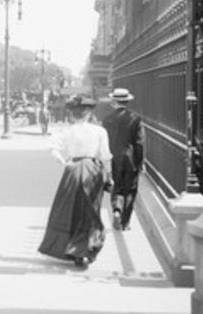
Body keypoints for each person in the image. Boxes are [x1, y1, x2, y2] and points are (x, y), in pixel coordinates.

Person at [38, 95, 112, 269]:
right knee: (90, 209)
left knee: (70, 208)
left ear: (72, 114)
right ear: (88, 114)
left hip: (73, 169)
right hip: (92, 170)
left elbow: (52, 147)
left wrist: (64, 162)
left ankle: (73, 248)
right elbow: (106, 155)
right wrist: (109, 176)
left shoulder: (68, 131)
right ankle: (86, 247)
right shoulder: (99, 131)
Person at [101, 87, 144, 231]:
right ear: (127, 101)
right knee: (130, 189)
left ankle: (116, 210)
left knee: (116, 186)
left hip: (113, 158)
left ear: (114, 101)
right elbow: (139, 143)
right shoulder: (135, 119)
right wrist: (140, 162)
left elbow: (104, 142)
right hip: (130, 158)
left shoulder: (107, 120)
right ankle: (125, 222)